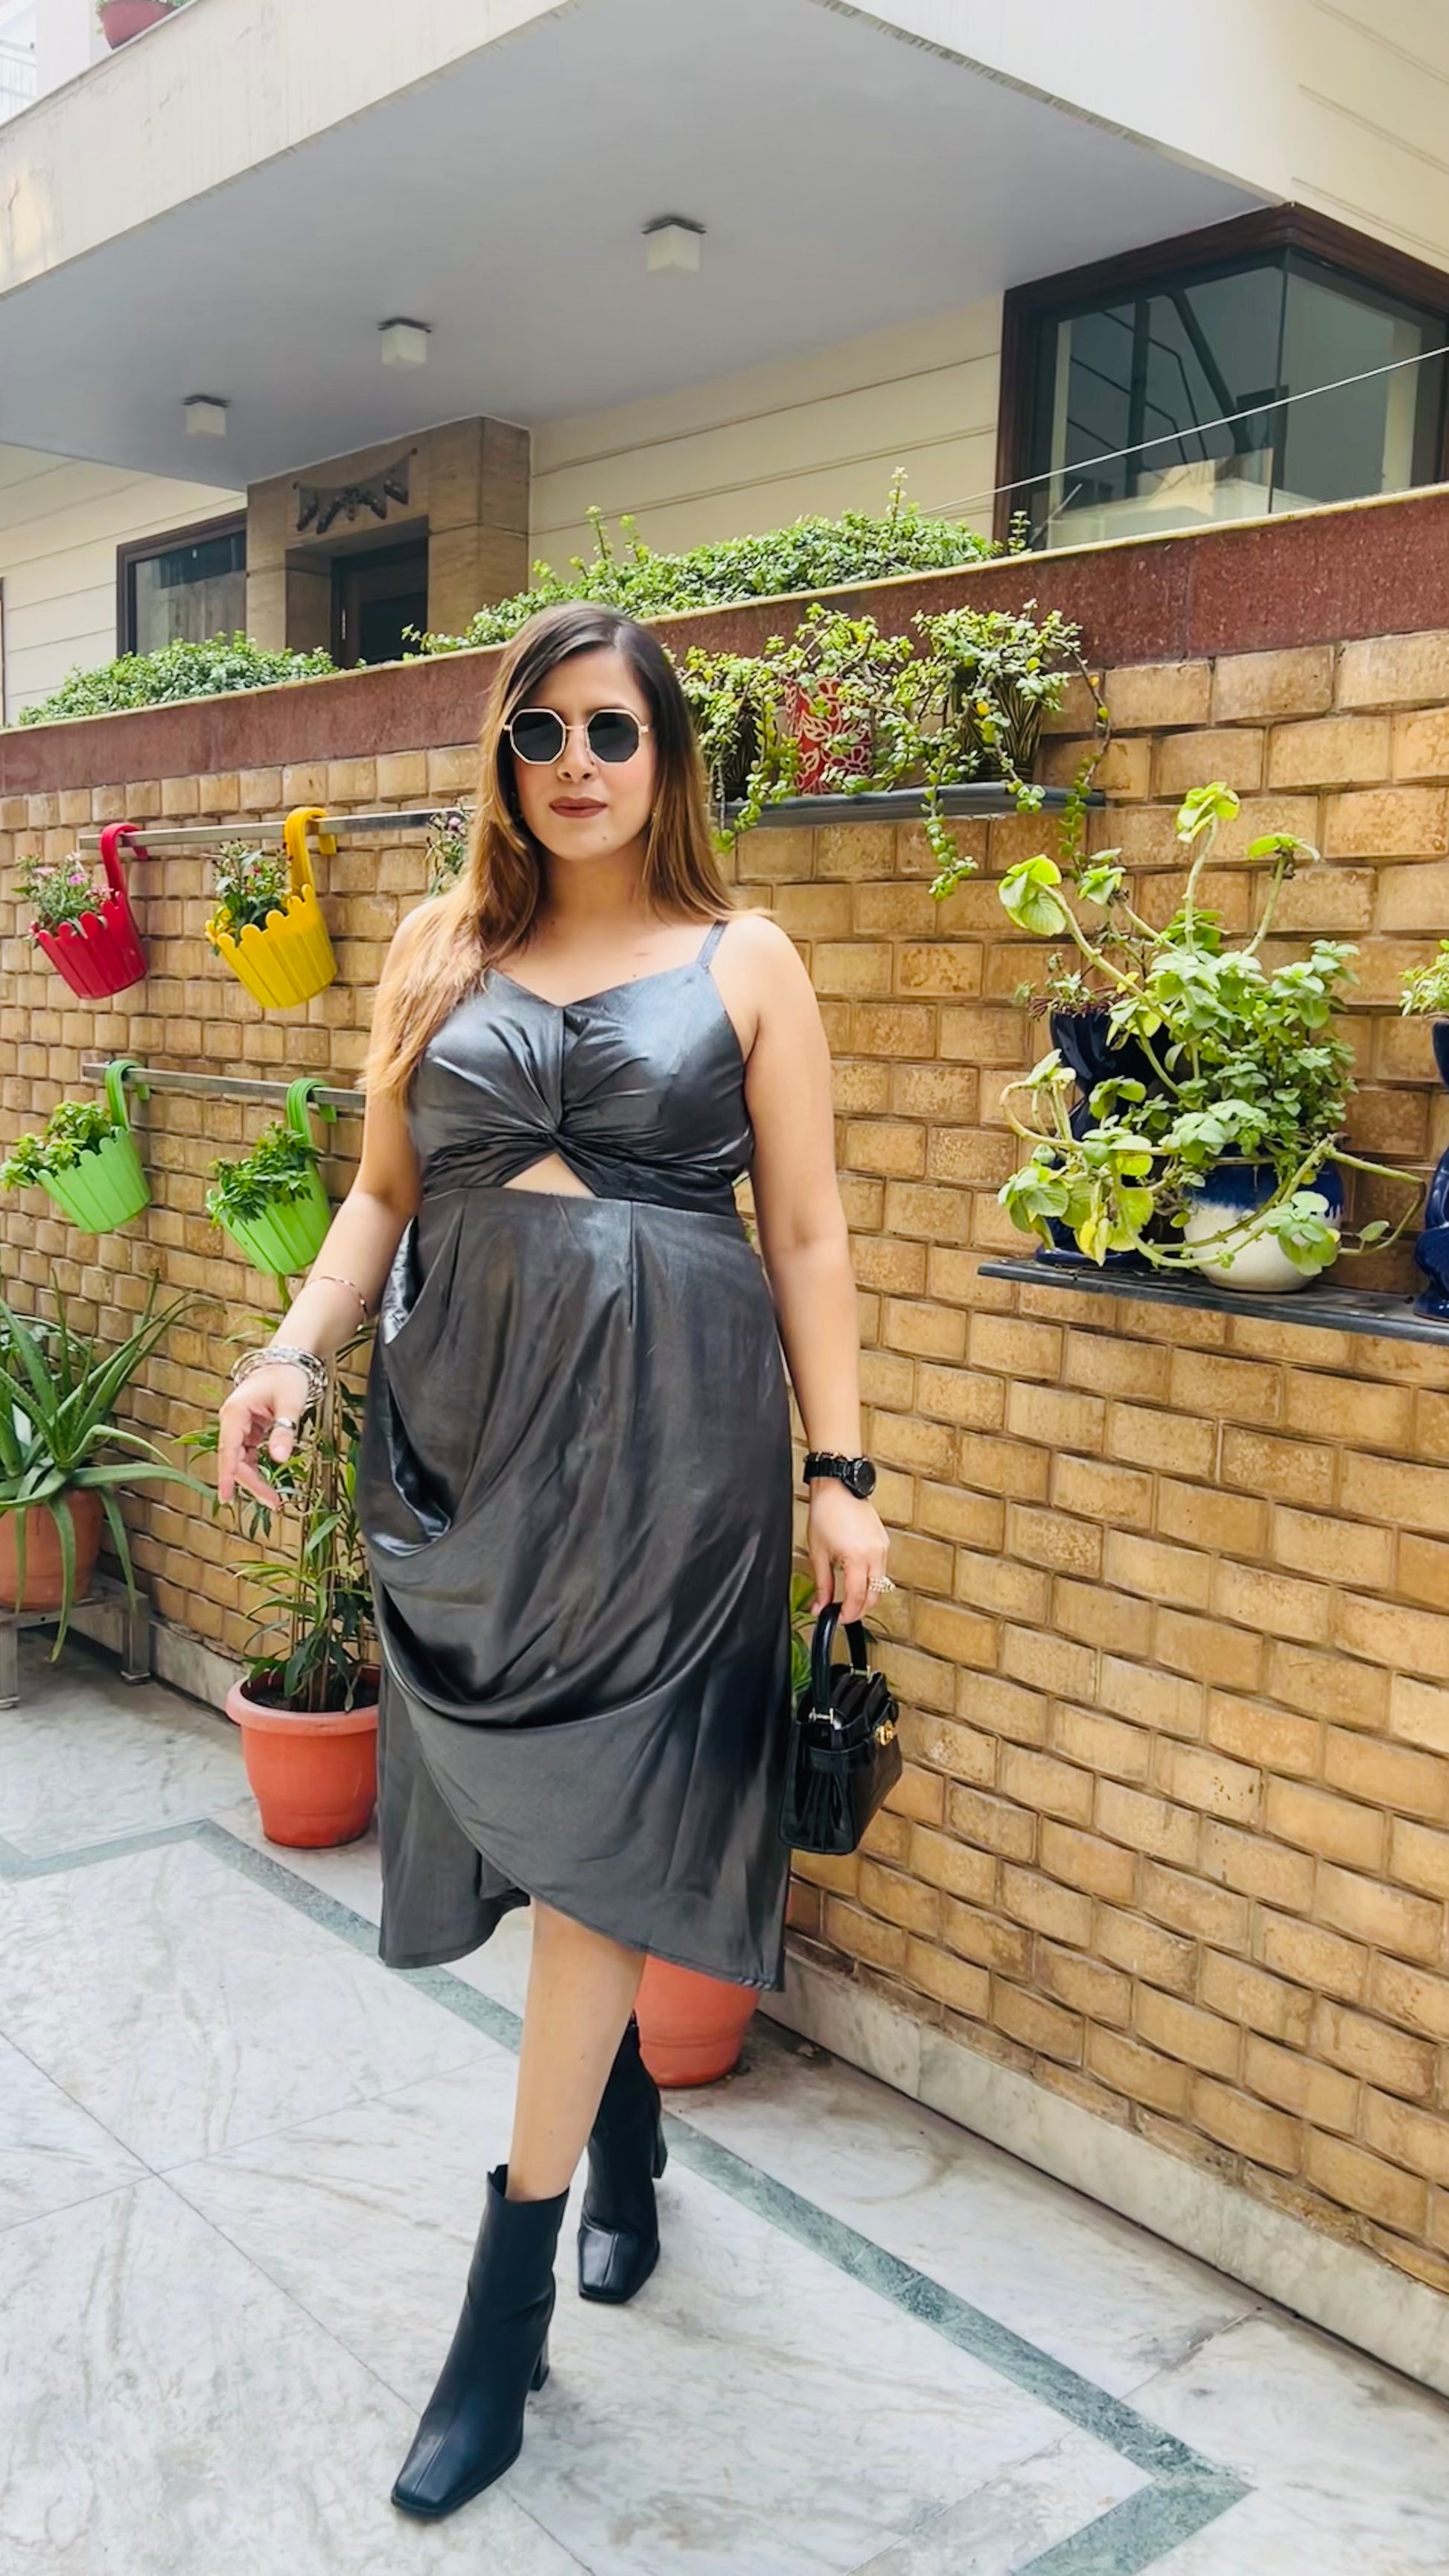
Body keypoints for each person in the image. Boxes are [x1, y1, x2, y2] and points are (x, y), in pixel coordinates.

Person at [215, 601, 890, 2521]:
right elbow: (383, 1195)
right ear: (503, 761)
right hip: (472, 1435)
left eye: (611, 730)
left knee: (602, 1815)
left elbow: (810, 1233)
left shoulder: (750, 957)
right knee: (532, 1808)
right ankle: (626, 2141)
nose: (575, 764)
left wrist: (842, 1472)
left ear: (667, 756)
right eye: (540, 733)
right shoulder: (439, 951)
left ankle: (498, 2318)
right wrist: (292, 1352)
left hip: (677, 1454)